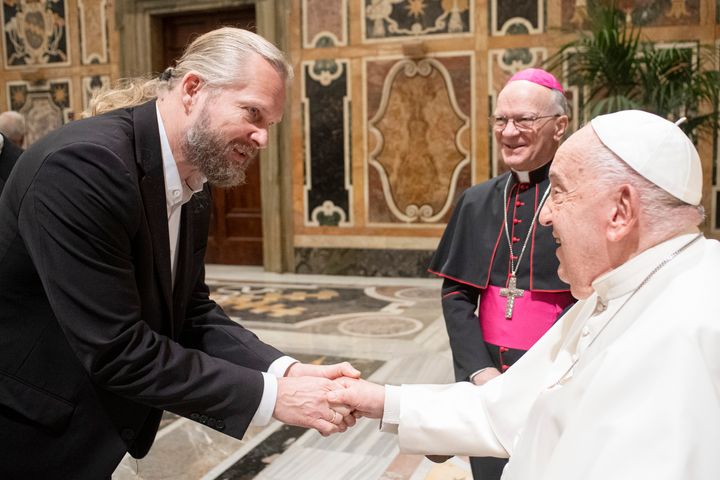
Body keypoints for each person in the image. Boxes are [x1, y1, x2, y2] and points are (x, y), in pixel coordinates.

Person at [0, 28, 359, 478]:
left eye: (269, 124)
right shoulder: (84, 166)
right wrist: (273, 398)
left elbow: (190, 313)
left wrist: (284, 371)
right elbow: (118, 350)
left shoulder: (194, 177)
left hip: (94, 428)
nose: (262, 138)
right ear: (193, 89)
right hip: (28, 430)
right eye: (253, 113)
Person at [330, 110, 720, 479]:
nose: (545, 214)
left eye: (561, 192)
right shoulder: (621, 289)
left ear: (620, 212)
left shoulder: (679, 335)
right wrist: (381, 400)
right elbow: (507, 410)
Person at [427, 68, 574, 479]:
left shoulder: (579, 201)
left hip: (555, 378)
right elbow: (456, 295)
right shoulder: (475, 202)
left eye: (524, 120)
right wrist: (481, 372)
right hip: (486, 380)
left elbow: (589, 296)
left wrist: (542, 372)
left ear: (559, 126)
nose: (509, 132)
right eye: (500, 120)